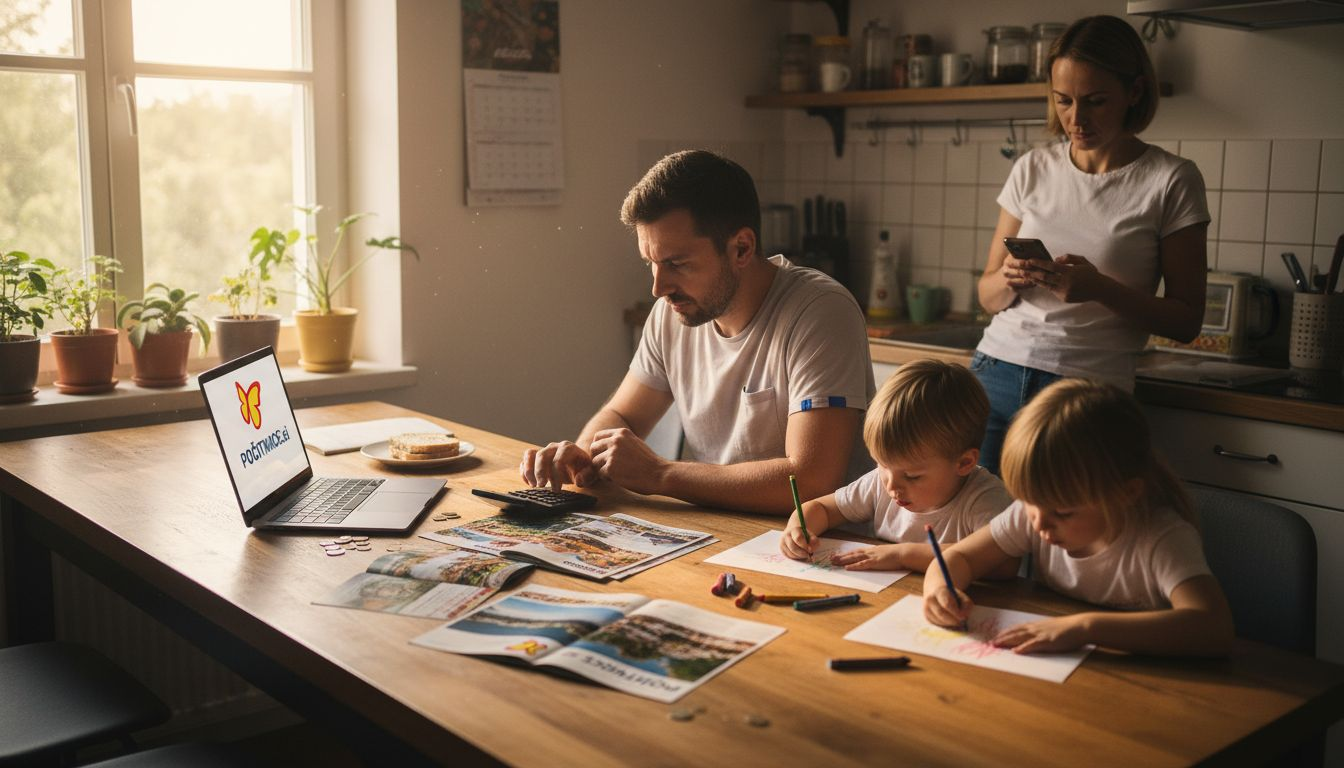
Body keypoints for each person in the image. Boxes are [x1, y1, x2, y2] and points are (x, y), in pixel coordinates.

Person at [521, 150, 875, 514]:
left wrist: (660, 474)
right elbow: (624, 416)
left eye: (676, 263)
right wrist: (583, 458)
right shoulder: (671, 314)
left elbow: (812, 479)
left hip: (831, 544)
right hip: (726, 532)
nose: (658, 287)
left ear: (741, 248)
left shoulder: (819, 312)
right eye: (652, 264)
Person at [972, 15, 1210, 474]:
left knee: (1060, 540)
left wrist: (1099, 288)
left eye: (1095, 102)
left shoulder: (1171, 180)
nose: (1075, 119)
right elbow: (986, 296)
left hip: (1087, 392)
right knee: (971, 532)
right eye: (1063, 101)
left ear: (1134, 92)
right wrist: (1009, 279)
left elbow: (1186, 319)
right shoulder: (1032, 168)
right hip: (995, 372)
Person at [922, 379, 1234, 657]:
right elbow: (960, 557)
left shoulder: (1161, 538)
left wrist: (1086, 628)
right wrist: (939, 591)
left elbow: (1213, 627)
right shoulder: (1035, 514)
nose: (1039, 524)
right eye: (1029, 503)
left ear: (1125, 494)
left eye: (1063, 513)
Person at [779, 359, 1014, 573]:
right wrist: (799, 527)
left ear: (964, 463)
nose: (891, 486)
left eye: (912, 476)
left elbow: (1004, 563)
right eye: (881, 464)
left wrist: (903, 555)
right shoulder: (881, 483)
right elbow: (823, 508)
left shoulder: (985, 499)